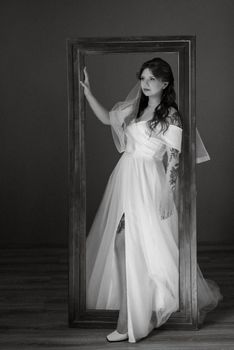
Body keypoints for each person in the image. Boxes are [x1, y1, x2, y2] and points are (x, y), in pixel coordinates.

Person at [80, 57, 223, 343]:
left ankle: (133, 318)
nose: (145, 84)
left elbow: (174, 158)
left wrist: (166, 193)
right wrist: (87, 93)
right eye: (142, 78)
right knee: (124, 244)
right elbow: (108, 118)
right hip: (125, 178)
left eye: (151, 79)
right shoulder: (135, 109)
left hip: (148, 182)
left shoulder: (169, 114)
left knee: (136, 243)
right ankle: (135, 311)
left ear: (165, 83)